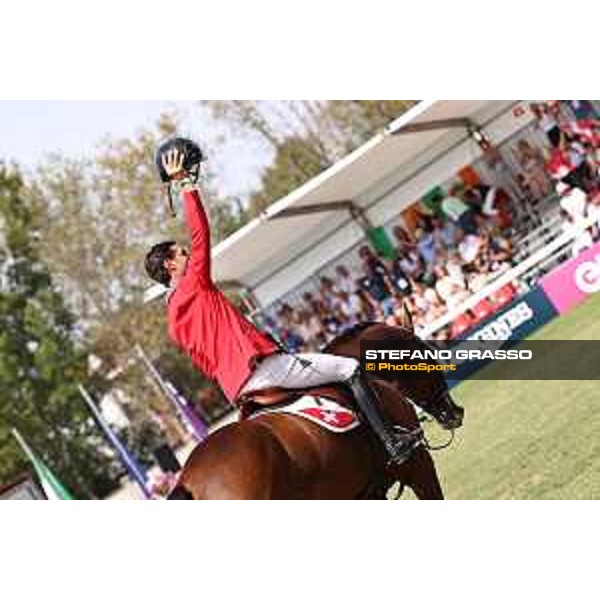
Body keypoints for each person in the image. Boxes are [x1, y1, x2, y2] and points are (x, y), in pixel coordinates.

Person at [144, 138, 417, 464]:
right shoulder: (193, 284)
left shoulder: (174, 321)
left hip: (239, 393)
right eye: (182, 253)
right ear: (170, 266)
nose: (189, 254)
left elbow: (206, 363)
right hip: (264, 370)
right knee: (352, 368)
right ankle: (392, 442)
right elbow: (200, 233)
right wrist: (186, 184)